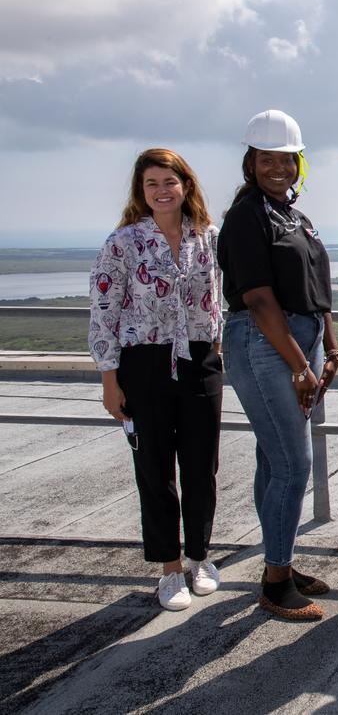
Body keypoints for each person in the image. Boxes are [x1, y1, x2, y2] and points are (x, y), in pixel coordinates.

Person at [219, 110, 338, 622]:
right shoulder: (248, 216)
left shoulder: (292, 214)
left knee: (275, 461)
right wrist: (299, 365)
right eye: (266, 159)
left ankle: (281, 564)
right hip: (266, 344)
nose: (277, 168)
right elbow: (260, 300)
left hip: (300, 342)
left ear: (298, 164)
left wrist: (330, 349)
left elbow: (315, 291)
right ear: (250, 162)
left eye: (286, 160)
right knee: (295, 464)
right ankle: (275, 581)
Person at [90, 149, 224, 611]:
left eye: (170, 181)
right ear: (140, 191)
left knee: (202, 465)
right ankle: (169, 570)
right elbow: (104, 313)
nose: (162, 190)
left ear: (186, 185)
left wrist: (216, 347)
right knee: (155, 469)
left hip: (199, 360)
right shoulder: (123, 242)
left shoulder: (206, 236)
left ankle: (201, 557)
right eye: (152, 183)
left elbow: (215, 297)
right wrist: (111, 380)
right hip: (143, 363)